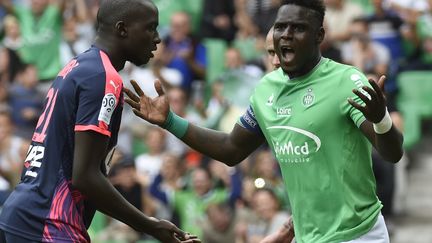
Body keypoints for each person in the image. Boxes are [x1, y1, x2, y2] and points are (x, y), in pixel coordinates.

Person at [125, 0, 404, 242]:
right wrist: (170, 121)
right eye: (281, 27)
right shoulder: (267, 89)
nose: (286, 35)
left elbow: (392, 153)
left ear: (319, 35)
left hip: (357, 234)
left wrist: (380, 120)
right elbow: (231, 149)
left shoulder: (346, 81)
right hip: (307, 236)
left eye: (298, 28)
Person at [0, 0, 200, 243]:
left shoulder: (78, 65)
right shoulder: (104, 78)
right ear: (122, 29)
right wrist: (150, 225)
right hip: (47, 222)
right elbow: (85, 177)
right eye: (150, 28)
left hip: (28, 214)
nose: (158, 38)